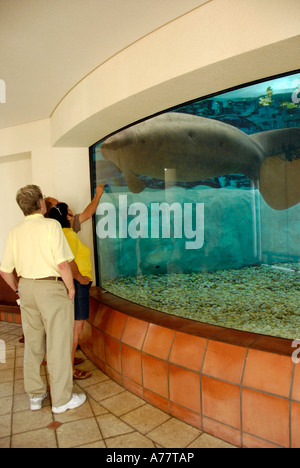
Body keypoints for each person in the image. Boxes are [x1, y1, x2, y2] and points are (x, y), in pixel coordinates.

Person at [0, 185, 86, 414]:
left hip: (26, 287)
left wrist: (19, 290)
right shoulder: (51, 226)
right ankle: (61, 400)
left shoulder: (14, 231)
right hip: (52, 287)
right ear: (40, 204)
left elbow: (5, 271)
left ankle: (35, 397)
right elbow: (62, 264)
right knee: (58, 344)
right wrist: (70, 289)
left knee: (33, 343)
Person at [49, 203, 93, 380]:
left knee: (71, 328)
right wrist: (81, 278)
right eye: (70, 212)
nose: (73, 214)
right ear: (66, 217)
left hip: (70, 284)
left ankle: (68, 361)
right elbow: (68, 261)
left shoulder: (60, 234)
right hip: (77, 285)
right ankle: (70, 370)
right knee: (76, 327)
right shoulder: (68, 235)